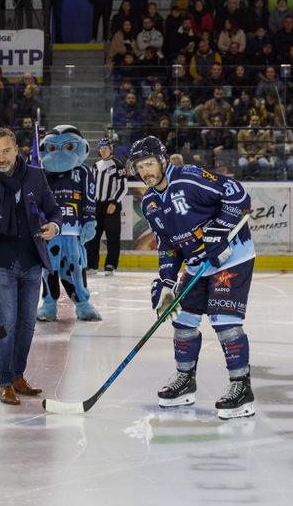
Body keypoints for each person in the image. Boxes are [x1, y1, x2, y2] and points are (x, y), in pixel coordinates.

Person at [128, 136, 256, 419]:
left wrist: (222, 231)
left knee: (224, 321)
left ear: (162, 160)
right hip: (199, 264)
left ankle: (241, 388)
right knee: (183, 320)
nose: (145, 171)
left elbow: (235, 193)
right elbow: (168, 245)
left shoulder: (189, 178)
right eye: (140, 167)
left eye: (149, 164)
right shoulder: (149, 202)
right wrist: (166, 281)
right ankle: (185, 382)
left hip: (233, 257)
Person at [0, 127, 62, 405]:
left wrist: (53, 226)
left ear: (16, 149)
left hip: (32, 259)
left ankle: (18, 375)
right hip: (0, 259)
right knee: (6, 323)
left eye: (6, 150)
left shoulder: (34, 174)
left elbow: (54, 210)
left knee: (28, 323)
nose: (1, 157)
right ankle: (5, 381)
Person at [86, 138, 126, 275]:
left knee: (112, 236)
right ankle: (92, 265)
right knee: (93, 236)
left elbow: (123, 187)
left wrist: (114, 202)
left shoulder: (118, 165)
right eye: (101, 148)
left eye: (106, 148)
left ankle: (110, 265)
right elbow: (91, 186)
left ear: (111, 149)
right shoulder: (95, 165)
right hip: (96, 205)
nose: (103, 150)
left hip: (111, 206)